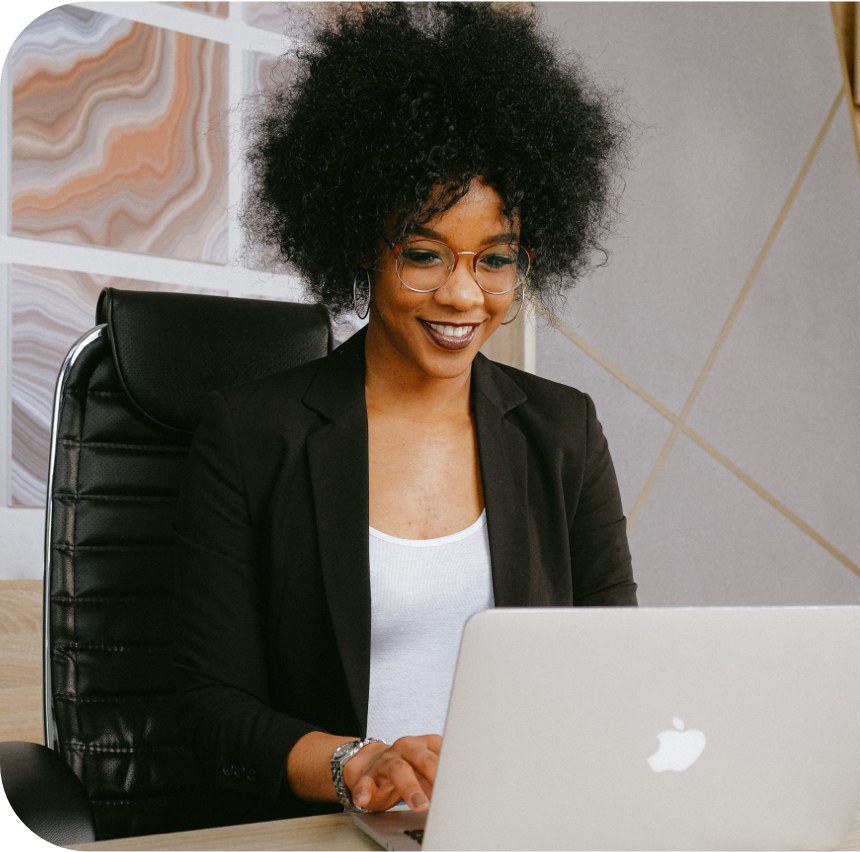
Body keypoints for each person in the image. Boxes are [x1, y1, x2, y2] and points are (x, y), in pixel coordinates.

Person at [173, 1, 636, 825]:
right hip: (327, 829)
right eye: (423, 254)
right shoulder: (250, 434)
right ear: (362, 244)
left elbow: (615, 665)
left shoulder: (563, 430)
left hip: (522, 824)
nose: (463, 294)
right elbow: (208, 708)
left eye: (494, 260)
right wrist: (358, 763)